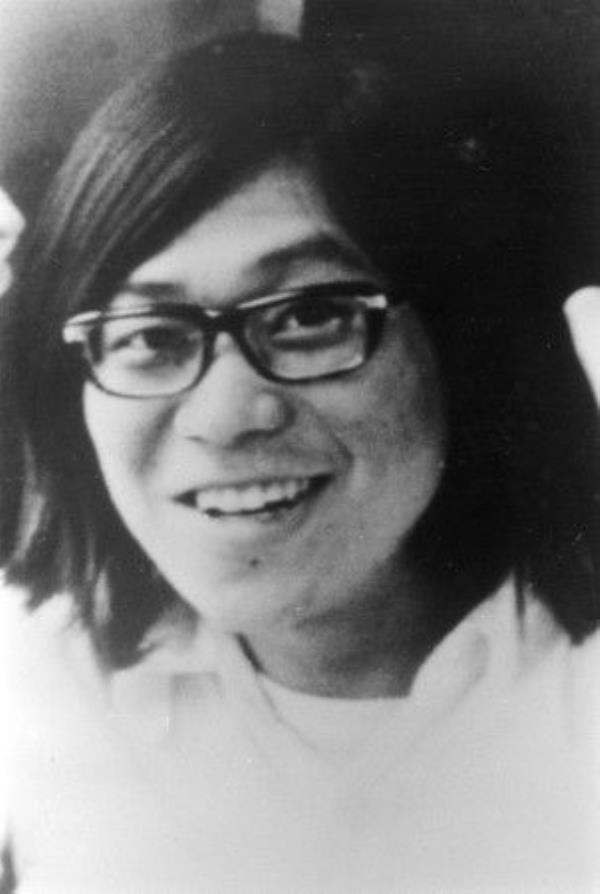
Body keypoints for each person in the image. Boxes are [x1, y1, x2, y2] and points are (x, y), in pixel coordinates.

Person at [0, 32, 597, 893]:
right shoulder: (38, 681)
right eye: (150, 337)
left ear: (456, 344)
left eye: (312, 315)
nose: (226, 417)